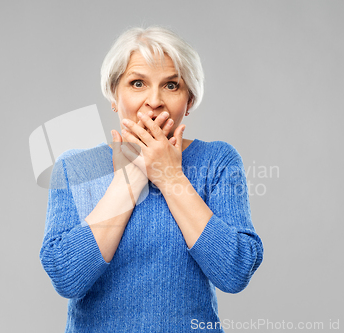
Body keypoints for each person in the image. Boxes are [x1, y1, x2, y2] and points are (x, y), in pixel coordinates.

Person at [40, 26, 263, 333]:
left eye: (171, 86)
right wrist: (128, 180)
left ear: (190, 99)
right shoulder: (76, 167)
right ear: (114, 95)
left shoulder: (218, 162)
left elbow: (235, 272)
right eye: (137, 83)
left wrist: (170, 177)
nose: (154, 100)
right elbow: (66, 277)